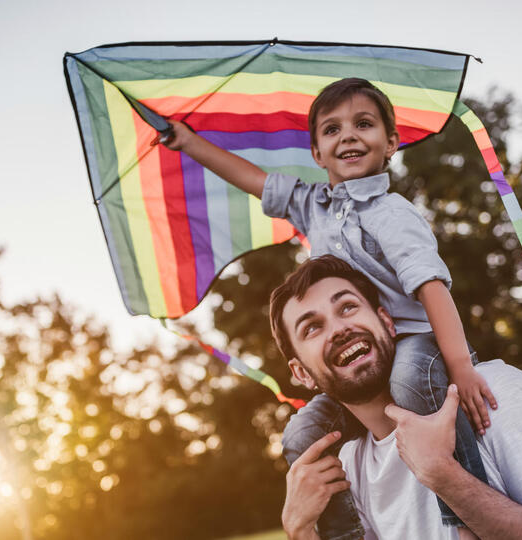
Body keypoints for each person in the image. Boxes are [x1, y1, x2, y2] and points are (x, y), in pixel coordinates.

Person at [162, 78, 493, 538]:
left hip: (418, 345)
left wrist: (460, 366)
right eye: (332, 130)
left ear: (391, 142)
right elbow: (252, 181)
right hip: (360, 357)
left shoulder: (391, 213)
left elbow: (432, 287)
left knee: (409, 379)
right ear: (317, 152)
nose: (349, 136)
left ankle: (466, 519)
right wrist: (189, 143)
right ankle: (345, 534)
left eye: (364, 124)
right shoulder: (313, 206)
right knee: (301, 435)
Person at [270, 255, 522, 539]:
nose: (338, 329)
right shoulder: (348, 470)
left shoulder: (492, 392)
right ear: (301, 373)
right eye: (312, 328)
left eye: (347, 307)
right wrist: (299, 531)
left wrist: (445, 475)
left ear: (387, 322)